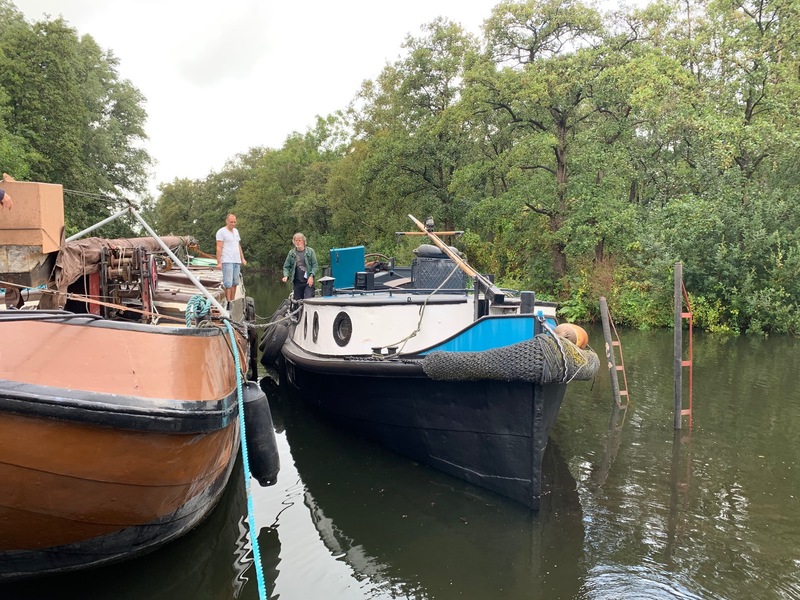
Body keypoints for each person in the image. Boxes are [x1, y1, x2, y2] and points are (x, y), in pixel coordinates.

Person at [215, 213, 247, 304]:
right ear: (227, 221)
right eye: (231, 222)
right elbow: (219, 247)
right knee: (228, 282)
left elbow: (238, 245)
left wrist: (242, 258)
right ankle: (228, 301)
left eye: (234, 222)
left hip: (236, 260)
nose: (233, 224)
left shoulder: (236, 231)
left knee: (235, 282)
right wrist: (219, 262)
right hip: (227, 259)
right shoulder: (221, 232)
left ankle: (233, 300)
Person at [282, 233, 318, 300]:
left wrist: (311, 276)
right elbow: (286, 267)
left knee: (308, 300)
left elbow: (315, 266)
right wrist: (286, 275)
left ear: (303, 241)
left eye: (299, 240)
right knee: (297, 302)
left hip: (308, 282)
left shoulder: (310, 252)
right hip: (297, 283)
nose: (297, 242)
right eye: (296, 240)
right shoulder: (291, 253)